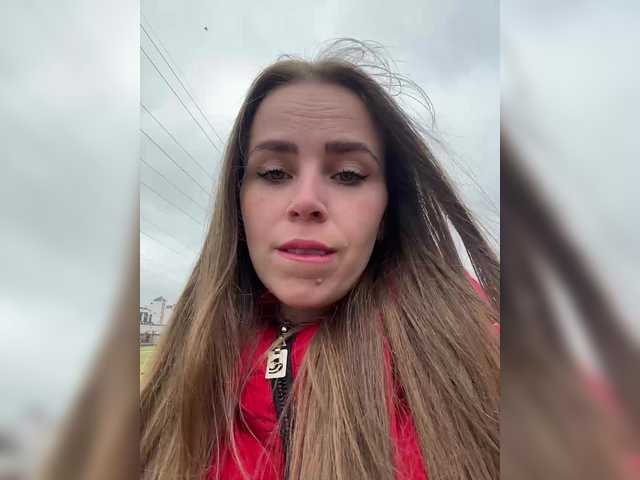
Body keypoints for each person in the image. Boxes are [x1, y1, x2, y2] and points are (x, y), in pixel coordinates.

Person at [140, 40, 500, 480]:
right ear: (238, 203)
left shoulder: (486, 361)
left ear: (386, 212)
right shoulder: (166, 393)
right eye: (274, 173)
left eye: (348, 174)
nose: (306, 201)